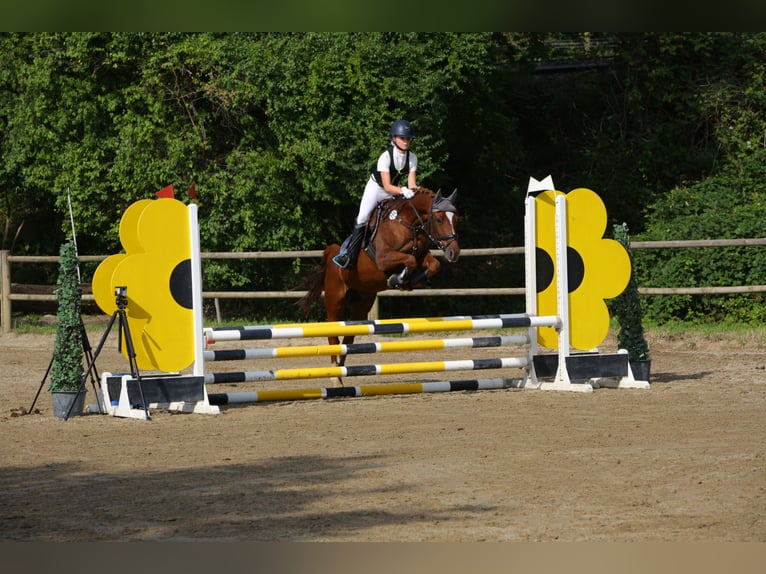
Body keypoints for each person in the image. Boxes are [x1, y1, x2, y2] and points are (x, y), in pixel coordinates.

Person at [333, 119, 419, 269]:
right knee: (362, 217)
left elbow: (411, 184)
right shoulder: (385, 157)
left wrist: (415, 191)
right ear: (394, 138)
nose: (406, 142)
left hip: (395, 190)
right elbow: (386, 186)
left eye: (408, 139)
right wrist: (403, 190)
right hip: (377, 189)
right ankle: (348, 255)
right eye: (403, 138)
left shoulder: (412, 158)